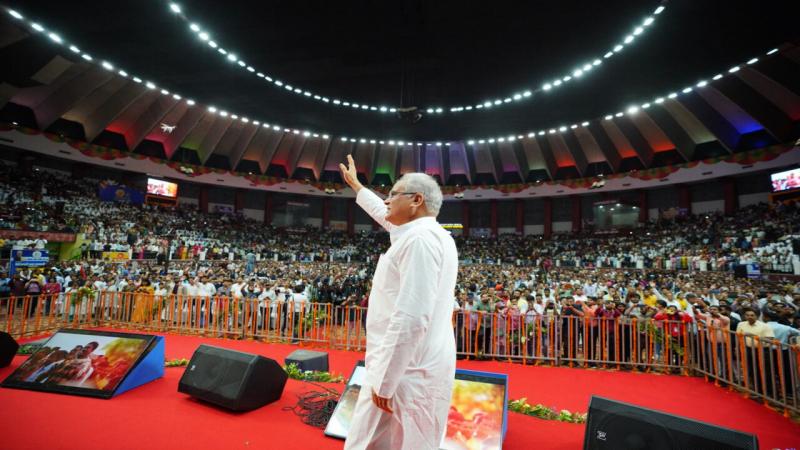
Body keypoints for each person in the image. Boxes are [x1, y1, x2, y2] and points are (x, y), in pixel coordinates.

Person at [340, 155, 458, 450]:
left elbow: (411, 316)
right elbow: (385, 214)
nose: (388, 200)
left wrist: (386, 379)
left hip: (404, 372)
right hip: (418, 367)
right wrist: (357, 186)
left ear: (416, 200)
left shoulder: (418, 240)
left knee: (366, 443)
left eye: (393, 194)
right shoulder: (431, 235)